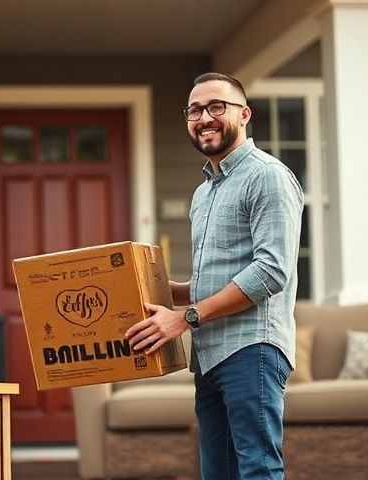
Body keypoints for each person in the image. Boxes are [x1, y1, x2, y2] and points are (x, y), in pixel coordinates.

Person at [124, 72, 304, 480]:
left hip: (251, 349)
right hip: (209, 356)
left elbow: (270, 272)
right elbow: (221, 277)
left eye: (215, 107)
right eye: (194, 110)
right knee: (217, 473)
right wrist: (164, 290)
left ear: (245, 114)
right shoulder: (204, 192)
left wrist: (184, 317)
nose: (203, 117)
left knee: (257, 469)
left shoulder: (268, 176)